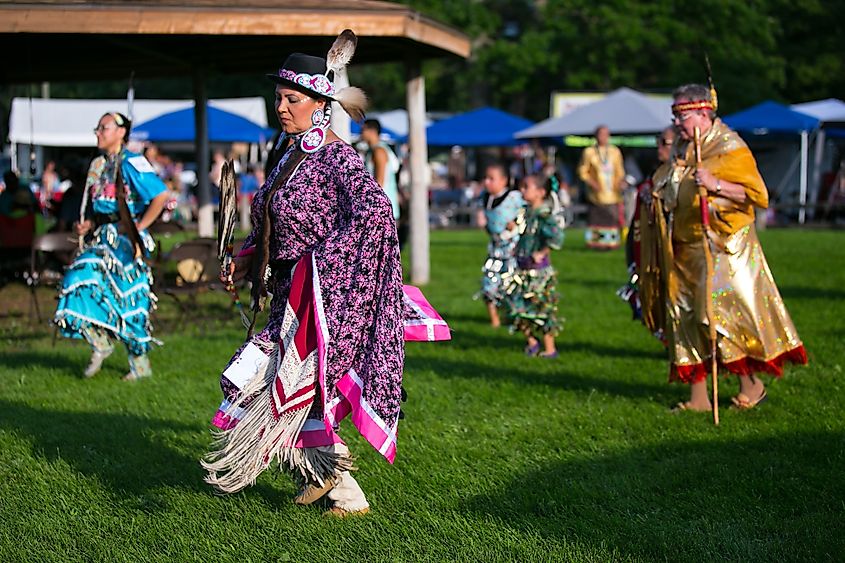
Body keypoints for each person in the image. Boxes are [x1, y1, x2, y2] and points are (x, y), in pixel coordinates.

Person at [202, 30, 450, 517]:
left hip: (318, 297)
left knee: (275, 385)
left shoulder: (337, 156)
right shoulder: (289, 153)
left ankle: (339, 484)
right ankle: (321, 474)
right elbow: (274, 217)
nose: (281, 106)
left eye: (291, 98)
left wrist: (321, 265)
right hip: (289, 295)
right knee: (282, 386)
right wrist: (250, 254)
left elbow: (376, 217)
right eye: (278, 97)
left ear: (320, 102)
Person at [639, 83, 807, 412]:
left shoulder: (729, 147)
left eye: (681, 116)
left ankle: (752, 388)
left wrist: (717, 185)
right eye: (674, 116)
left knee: (719, 319)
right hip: (684, 246)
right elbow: (670, 182)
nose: (676, 124)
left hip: (723, 248)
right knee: (685, 317)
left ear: (703, 113)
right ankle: (699, 398)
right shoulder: (683, 148)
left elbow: (758, 195)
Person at [53, 112, 169, 381]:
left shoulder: (132, 162)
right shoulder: (98, 165)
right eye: (97, 128)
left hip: (127, 241)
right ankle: (101, 342)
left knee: (128, 297)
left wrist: (138, 229)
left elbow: (160, 195)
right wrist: (88, 225)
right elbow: (101, 208)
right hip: (102, 238)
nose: (98, 133)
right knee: (77, 281)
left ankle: (140, 365)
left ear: (121, 132)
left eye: (104, 128)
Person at [618, 127, 676, 326]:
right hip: (651, 251)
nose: (658, 147)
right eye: (658, 141)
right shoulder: (655, 176)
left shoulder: (685, 177)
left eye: (664, 143)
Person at [506, 175, 565, 358]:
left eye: (526, 187)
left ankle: (550, 349)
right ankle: (532, 341)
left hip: (538, 272)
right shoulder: (525, 212)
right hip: (521, 268)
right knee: (516, 306)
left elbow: (557, 237)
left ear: (541, 192)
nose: (522, 190)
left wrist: (543, 251)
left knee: (542, 308)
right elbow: (520, 230)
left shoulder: (544, 215)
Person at [474, 163, 524, 328]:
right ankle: (494, 319)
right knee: (489, 281)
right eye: (485, 178)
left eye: (492, 179)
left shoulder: (514, 197)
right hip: (495, 249)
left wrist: (516, 223)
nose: (487, 182)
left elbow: (528, 211)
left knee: (513, 282)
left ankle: (516, 316)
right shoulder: (485, 198)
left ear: (504, 180)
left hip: (514, 248)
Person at [578, 125, 626, 250]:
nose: (603, 137)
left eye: (606, 134)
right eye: (600, 134)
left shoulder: (615, 151)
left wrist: (620, 182)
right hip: (597, 193)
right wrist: (592, 183)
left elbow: (620, 170)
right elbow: (583, 171)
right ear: (596, 136)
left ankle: (610, 244)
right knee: (597, 218)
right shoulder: (589, 152)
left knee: (611, 218)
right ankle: (596, 244)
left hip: (612, 192)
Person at [360, 119, 401, 223]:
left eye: (363, 130)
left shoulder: (379, 151)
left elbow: (380, 182)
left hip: (381, 209)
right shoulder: (372, 151)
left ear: (372, 131)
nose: (361, 133)